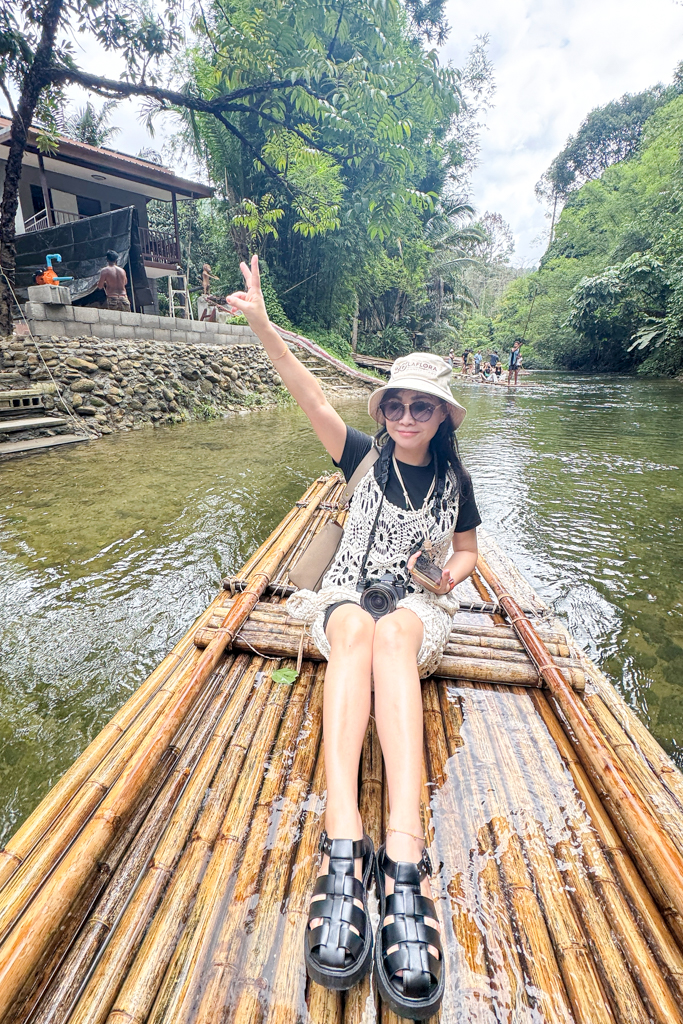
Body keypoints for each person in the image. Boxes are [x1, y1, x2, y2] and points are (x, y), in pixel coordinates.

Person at [227, 256, 480, 1020]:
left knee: (391, 638)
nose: (405, 417)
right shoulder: (360, 458)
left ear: (441, 416)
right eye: (396, 405)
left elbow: (468, 551)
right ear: (385, 410)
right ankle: (346, 833)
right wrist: (265, 326)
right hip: (345, 593)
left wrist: (446, 581)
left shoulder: (454, 481)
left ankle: (403, 846)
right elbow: (304, 389)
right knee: (352, 629)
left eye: (421, 408)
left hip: (414, 608)